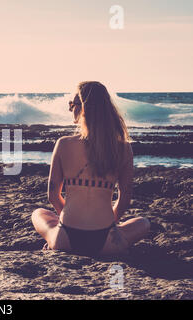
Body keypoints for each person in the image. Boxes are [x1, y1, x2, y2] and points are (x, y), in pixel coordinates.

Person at [31, 81, 150, 256]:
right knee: (143, 223)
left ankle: (53, 238)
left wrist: (68, 219)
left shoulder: (63, 144)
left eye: (72, 104)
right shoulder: (123, 148)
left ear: (83, 107)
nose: (71, 108)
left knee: (38, 214)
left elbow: (53, 195)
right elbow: (124, 199)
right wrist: (110, 224)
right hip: (107, 242)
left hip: (65, 239)